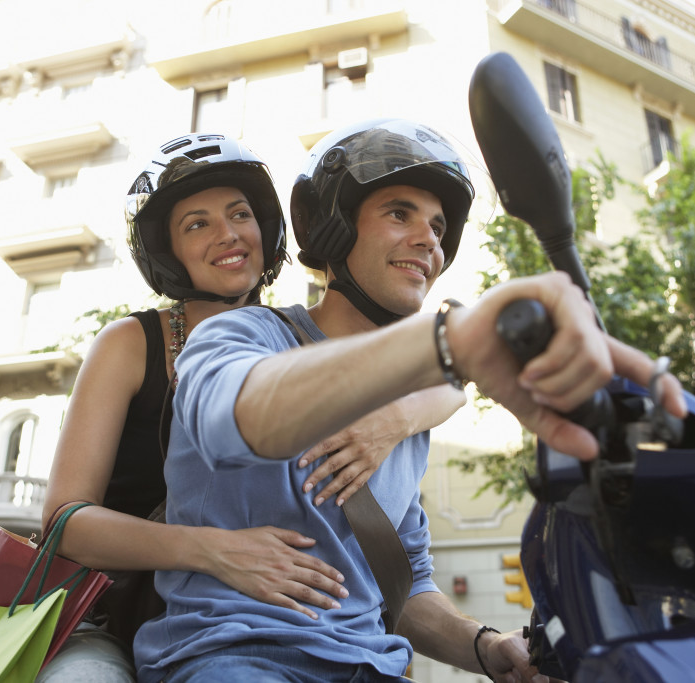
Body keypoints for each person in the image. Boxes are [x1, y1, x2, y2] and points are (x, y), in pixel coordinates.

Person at [132, 118, 688, 683]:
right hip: (238, 657)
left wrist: (490, 649)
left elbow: (406, 587)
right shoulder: (241, 335)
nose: (430, 240)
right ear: (334, 228)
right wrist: (448, 344)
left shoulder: (408, 414)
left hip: (373, 667)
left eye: (439, 226)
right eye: (400, 213)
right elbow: (238, 418)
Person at [39, 132, 464, 681]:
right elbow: (63, 522)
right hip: (131, 610)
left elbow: (440, 375)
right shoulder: (132, 342)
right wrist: (210, 550)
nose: (228, 234)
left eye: (240, 214)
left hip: (271, 612)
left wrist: (408, 412)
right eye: (197, 224)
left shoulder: (285, 336)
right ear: (166, 251)